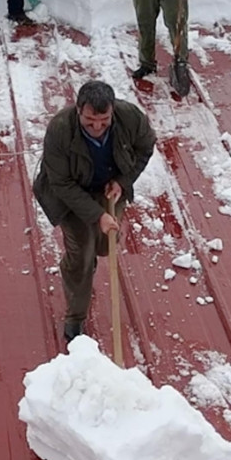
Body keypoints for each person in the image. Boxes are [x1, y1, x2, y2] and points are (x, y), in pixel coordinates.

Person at [33, 80, 156, 343]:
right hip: (69, 193)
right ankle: (75, 318)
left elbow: (146, 147)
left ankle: (91, 250)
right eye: (90, 121)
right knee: (82, 253)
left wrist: (123, 181)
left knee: (104, 246)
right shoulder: (60, 130)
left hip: (109, 187)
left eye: (104, 120)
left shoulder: (130, 117)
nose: (98, 127)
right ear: (78, 111)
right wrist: (98, 216)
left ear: (112, 110)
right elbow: (61, 183)